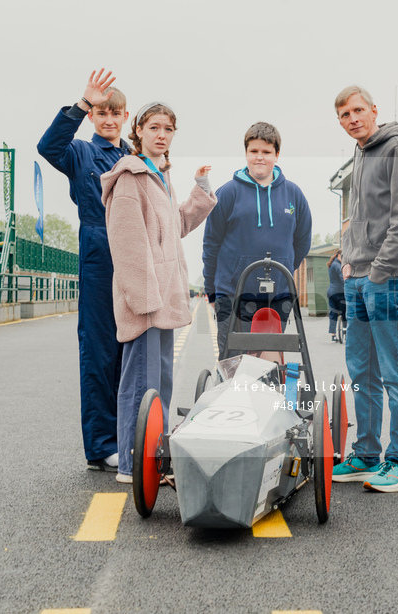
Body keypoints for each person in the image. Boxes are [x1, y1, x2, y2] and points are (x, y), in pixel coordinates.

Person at [101, 102, 217, 484]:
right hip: (147, 300)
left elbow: (177, 225)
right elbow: (128, 245)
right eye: (154, 127)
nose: (162, 134)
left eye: (168, 128)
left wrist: (200, 191)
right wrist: (145, 300)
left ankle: (152, 461)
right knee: (140, 383)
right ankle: (132, 465)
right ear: (139, 132)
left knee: (159, 381)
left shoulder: (158, 176)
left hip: (162, 298)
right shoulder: (131, 177)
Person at [37, 69, 129, 472]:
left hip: (133, 253)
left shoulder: (133, 157)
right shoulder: (81, 153)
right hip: (98, 248)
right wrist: (81, 103)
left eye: (115, 112)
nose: (108, 119)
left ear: (126, 116)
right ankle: (101, 444)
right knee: (99, 348)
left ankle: (128, 434)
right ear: (93, 117)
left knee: (131, 350)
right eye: (101, 112)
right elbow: (48, 146)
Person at [332, 86, 398, 493]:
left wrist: (380, 271)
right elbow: (359, 216)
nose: (352, 118)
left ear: (373, 111)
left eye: (357, 110)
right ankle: (367, 455)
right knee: (362, 373)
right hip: (358, 277)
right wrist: (349, 260)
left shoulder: (396, 147)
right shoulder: (361, 151)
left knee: (394, 373)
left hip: (387, 278)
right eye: (344, 114)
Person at [201, 122, 312, 357]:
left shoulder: (294, 194)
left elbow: (302, 242)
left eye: (266, 152)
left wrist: (284, 270)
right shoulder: (227, 193)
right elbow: (211, 245)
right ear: (246, 154)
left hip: (277, 295)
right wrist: (211, 290)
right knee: (233, 361)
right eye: (254, 151)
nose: (259, 158)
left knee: (270, 361)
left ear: (277, 155)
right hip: (231, 293)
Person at [327, 250, 345, 342]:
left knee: (333, 313)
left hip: (331, 292)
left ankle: (333, 335)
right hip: (339, 293)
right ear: (338, 255)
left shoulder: (332, 264)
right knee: (344, 312)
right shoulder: (338, 265)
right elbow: (342, 277)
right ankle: (345, 330)